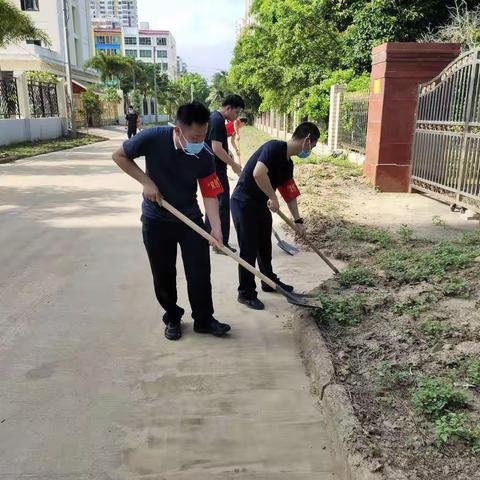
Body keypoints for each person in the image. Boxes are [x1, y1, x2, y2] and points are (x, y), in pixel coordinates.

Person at [112, 101, 231, 340]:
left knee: (199, 272)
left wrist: (216, 229)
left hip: (189, 218)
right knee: (163, 274)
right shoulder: (154, 138)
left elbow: (209, 194)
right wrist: (147, 182)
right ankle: (173, 316)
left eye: (204, 135)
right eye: (195, 137)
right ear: (178, 130)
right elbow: (119, 156)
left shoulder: (205, 155)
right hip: (157, 218)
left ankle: (204, 319)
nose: (200, 142)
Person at [230, 122, 320, 310]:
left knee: (264, 245)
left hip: (260, 204)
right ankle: (245, 292)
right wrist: (272, 196)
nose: (310, 150)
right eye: (313, 145)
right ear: (307, 140)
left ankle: (268, 280)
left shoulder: (288, 164)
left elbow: (289, 193)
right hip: (243, 202)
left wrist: (298, 221)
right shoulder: (274, 147)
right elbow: (258, 173)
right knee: (249, 248)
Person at [204, 94, 245, 255]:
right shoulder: (217, 120)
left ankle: (209, 235)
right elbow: (216, 149)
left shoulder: (215, 118)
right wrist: (234, 165)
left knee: (214, 202)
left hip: (212, 167)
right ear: (228, 108)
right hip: (216, 169)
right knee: (222, 204)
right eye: (236, 112)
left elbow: (219, 146)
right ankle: (221, 243)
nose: (236, 117)